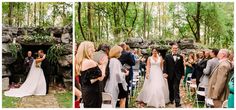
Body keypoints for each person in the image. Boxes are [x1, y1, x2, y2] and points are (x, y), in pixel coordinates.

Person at [75, 41, 104, 108]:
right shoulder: (91, 63)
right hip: (94, 92)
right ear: (87, 50)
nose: (94, 50)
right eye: (92, 48)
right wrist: (104, 64)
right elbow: (101, 76)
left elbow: (89, 80)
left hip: (86, 91)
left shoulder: (79, 61)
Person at [118, 42, 135, 108]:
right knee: (125, 89)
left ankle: (118, 104)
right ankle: (125, 106)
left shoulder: (115, 54)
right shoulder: (128, 53)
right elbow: (133, 63)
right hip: (126, 73)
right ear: (125, 47)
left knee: (118, 88)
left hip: (117, 73)